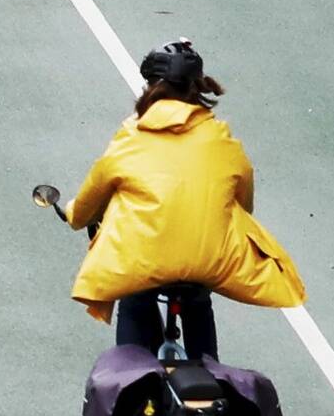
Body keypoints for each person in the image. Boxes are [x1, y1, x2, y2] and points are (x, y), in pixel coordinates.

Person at [63, 41, 304, 365]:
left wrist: (72, 212)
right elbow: (243, 204)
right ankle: (209, 372)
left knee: (135, 298)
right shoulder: (221, 139)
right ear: (198, 86)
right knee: (198, 301)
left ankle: (130, 385)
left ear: (150, 87)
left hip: (145, 256)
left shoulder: (131, 138)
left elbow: (87, 206)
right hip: (209, 259)